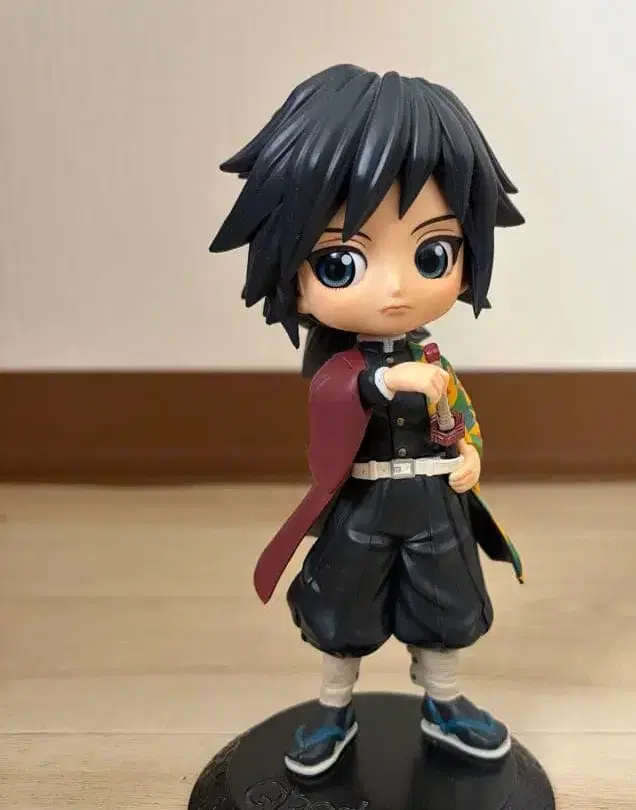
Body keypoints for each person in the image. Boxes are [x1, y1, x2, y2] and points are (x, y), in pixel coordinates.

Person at [210, 63, 526, 778]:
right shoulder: (340, 362)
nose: (395, 288)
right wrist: (384, 380)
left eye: (432, 254)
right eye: (342, 262)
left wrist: (470, 453)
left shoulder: (433, 356)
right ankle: (333, 710)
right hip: (362, 500)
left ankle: (444, 703)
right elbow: (330, 396)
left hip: (433, 499)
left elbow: (461, 413)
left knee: (445, 606)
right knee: (341, 611)